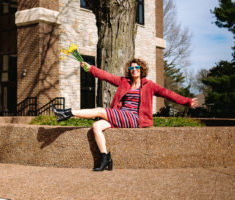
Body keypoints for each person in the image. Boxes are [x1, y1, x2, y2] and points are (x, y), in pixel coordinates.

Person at [53, 58, 198, 171]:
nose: (134, 70)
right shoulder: (124, 82)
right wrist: (90, 68)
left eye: (137, 67)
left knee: (99, 110)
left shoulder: (149, 85)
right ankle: (105, 158)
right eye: (132, 68)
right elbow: (105, 76)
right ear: (129, 70)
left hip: (135, 118)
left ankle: (68, 112)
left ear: (141, 70)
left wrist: (187, 101)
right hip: (121, 115)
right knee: (96, 126)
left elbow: (168, 93)